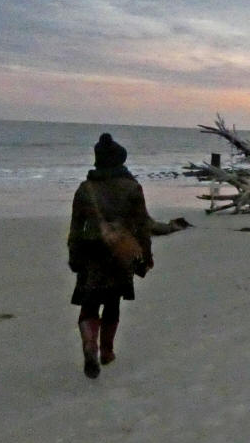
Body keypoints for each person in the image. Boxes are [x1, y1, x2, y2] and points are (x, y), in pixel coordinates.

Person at [67, 133, 154, 378]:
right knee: (112, 303)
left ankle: (89, 345)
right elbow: (142, 226)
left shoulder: (85, 189)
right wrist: (146, 255)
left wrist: (74, 254)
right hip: (119, 252)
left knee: (89, 304)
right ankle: (106, 351)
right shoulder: (132, 188)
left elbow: (75, 227)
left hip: (90, 252)